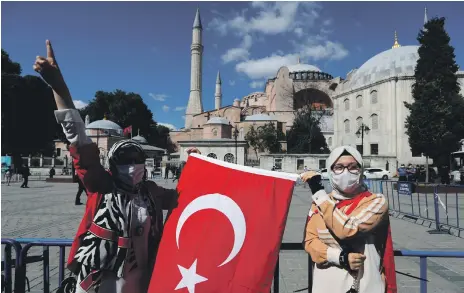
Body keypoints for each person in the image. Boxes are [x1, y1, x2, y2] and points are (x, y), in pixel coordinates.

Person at [34, 40, 200, 293]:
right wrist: (58, 86)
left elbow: (186, 196)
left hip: (142, 278)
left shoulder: (152, 193)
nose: (132, 166)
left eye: (137, 160)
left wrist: (195, 165)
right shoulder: (102, 186)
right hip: (101, 279)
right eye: (125, 160)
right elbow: (77, 137)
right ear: (112, 163)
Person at [301, 146, 396, 293]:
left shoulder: (376, 201)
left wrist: (319, 193)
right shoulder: (319, 204)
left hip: (365, 284)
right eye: (339, 167)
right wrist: (339, 257)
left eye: (352, 167)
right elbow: (310, 242)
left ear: (361, 170)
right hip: (327, 284)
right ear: (331, 171)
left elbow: (348, 229)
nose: (346, 172)